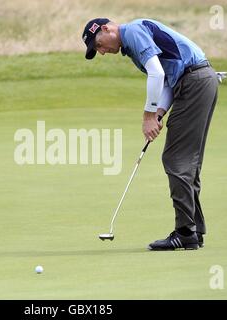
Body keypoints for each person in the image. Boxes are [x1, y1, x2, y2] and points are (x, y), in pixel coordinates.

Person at [82, 18, 219, 250]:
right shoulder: (133, 42)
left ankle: (186, 232)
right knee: (186, 161)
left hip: (194, 83)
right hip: (195, 82)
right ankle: (194, 229)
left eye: (98, 45)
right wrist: (159, 112)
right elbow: (166, 78)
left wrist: (147, 116)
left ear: (106, 29)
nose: (102, 52)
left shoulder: (133, 31)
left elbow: (156, 73)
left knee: (176, 160)